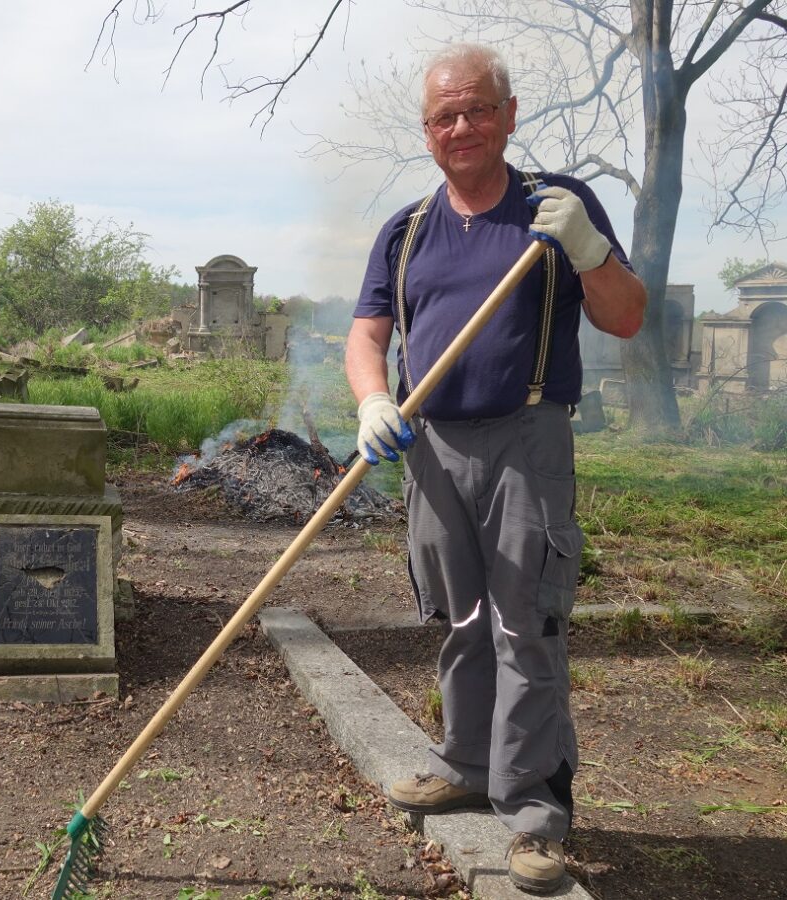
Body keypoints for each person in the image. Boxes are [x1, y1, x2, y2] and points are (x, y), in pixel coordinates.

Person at [344, 43, 646, 894]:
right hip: (432, 450)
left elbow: (627, 317)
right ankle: (467, 766)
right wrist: (374, 401)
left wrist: (590, 251)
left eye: (478, 109)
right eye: (445, 116)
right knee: (462, 619)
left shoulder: (558, 206)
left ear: (509, 115)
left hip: (527, 442)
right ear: (427, 133)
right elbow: (368, 334)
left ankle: (535, 813)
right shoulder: (407, 231)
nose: (463, 127)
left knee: (526, 625)